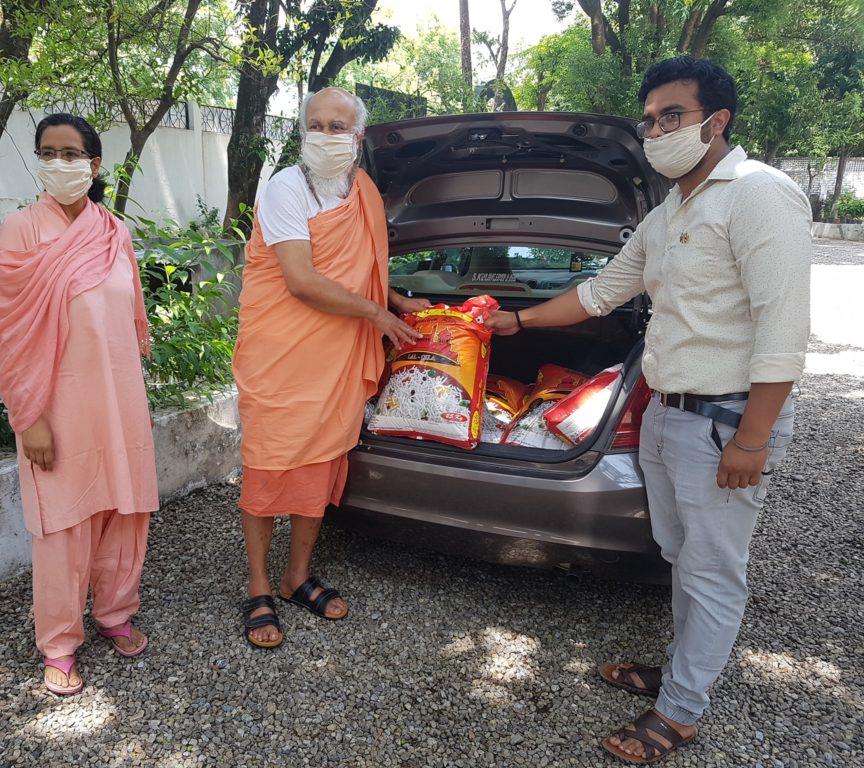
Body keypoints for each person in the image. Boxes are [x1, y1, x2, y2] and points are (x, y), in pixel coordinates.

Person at [488, 57, 811, 763]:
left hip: (726, 420)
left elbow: (784, 331)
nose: (657, 129)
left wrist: (752, 441)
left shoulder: (759, 195)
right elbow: (602, 293)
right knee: (678, 556)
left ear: (717, 121)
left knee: (713, 569)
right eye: (651, 118)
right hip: (666, 413)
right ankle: (680, 672)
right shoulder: (670, 213)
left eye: (674, 115)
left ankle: (681, 712)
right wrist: (513, 323)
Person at [232, 87, 429, 649]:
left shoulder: (361, 190)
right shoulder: (285, 188)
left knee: (319, 466)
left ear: (358, 136)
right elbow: (300, 278)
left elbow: (364, 267)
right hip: (281, 355)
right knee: (268, 467)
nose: (325, 135)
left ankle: (296, 576)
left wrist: (393, 301)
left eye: (337, 126)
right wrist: (378, 315)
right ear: (302, 132)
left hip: (335, 354)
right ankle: (258, 584)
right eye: (315, 125)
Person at [0, 114, 159, 695]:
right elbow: (8, 334)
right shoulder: (19, 230)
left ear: (94, 163)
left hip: (119, 400)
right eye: (48, 152)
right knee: (62, 526)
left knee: (124, 510)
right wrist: (28, 416)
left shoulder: (115, 231)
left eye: (71, 153)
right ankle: (59, 643)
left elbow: (127, 316)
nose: (59, 163)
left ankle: (115, 611)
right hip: (52, 407)